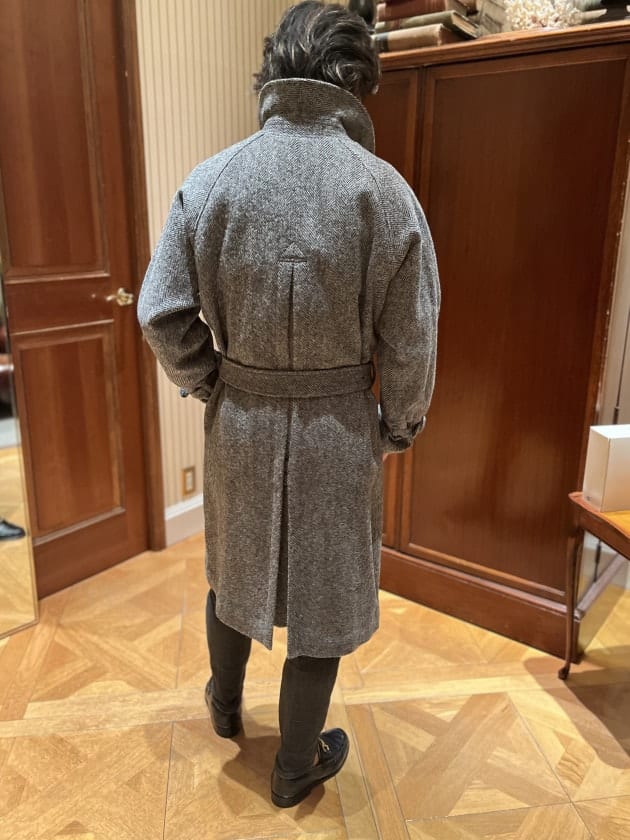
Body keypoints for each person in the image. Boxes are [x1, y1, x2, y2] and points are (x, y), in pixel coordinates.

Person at [137, 0, 440, 809]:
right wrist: (399, 423)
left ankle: (224, 704)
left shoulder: (212, 181)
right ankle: (295, 765)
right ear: (356, 81)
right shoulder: (385, 193)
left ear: (273, 69)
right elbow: (411, 338)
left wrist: (212, 380)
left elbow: (159, 311)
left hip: (239, 419)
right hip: (339, 428)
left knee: (231, 571)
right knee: (325, 598)